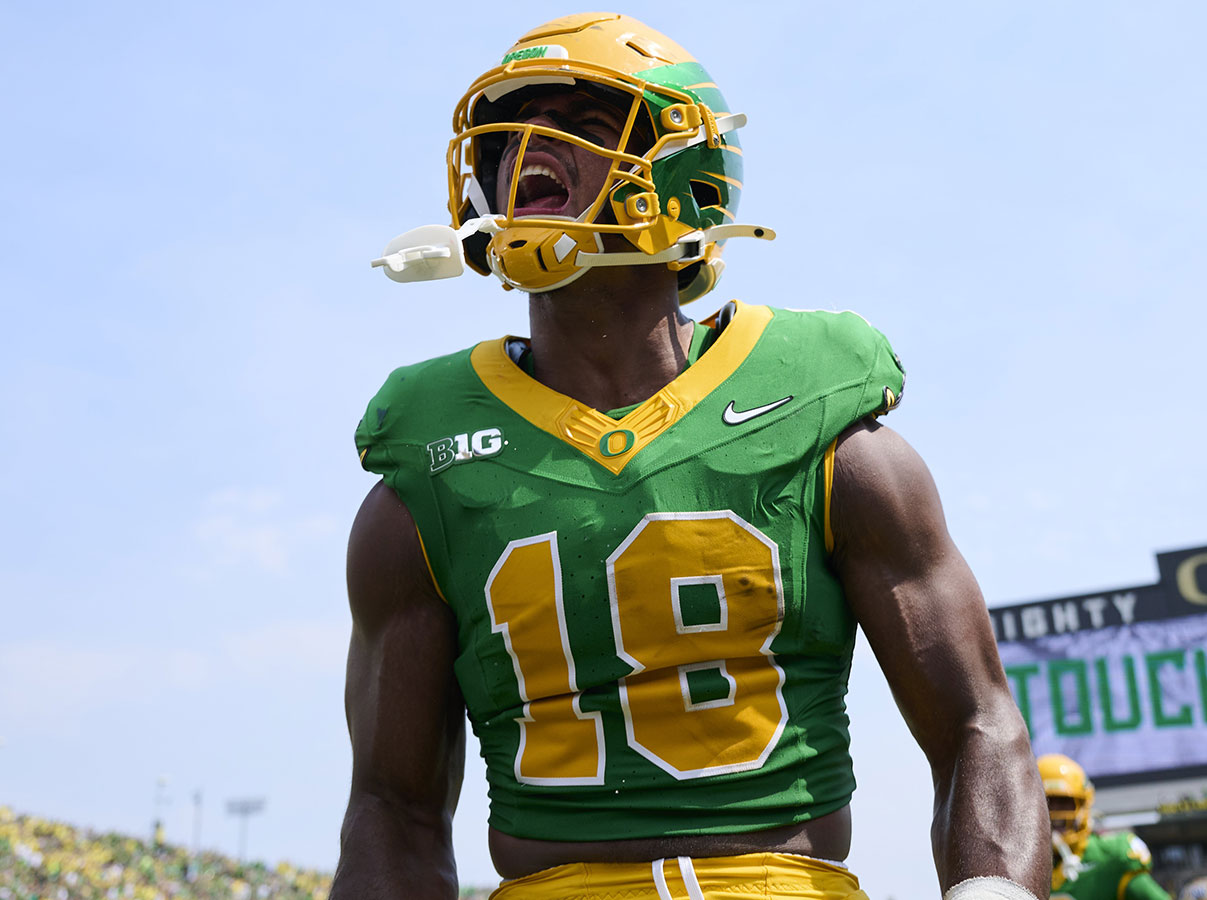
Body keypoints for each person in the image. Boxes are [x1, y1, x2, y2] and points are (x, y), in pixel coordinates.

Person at [333, 12, 1049, 900]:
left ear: (687, 179)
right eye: (506, 137)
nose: (523, 154)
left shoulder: (824, 419)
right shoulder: (429, 460)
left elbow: (978, 724)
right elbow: (392, 807)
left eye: (583, 127)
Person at [1037, 755, 1169, 900]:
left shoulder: (1111, 857)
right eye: (1047, 802)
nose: (1056, 814)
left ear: (1083, 805)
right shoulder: (1016, 866)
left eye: (1064, 802)